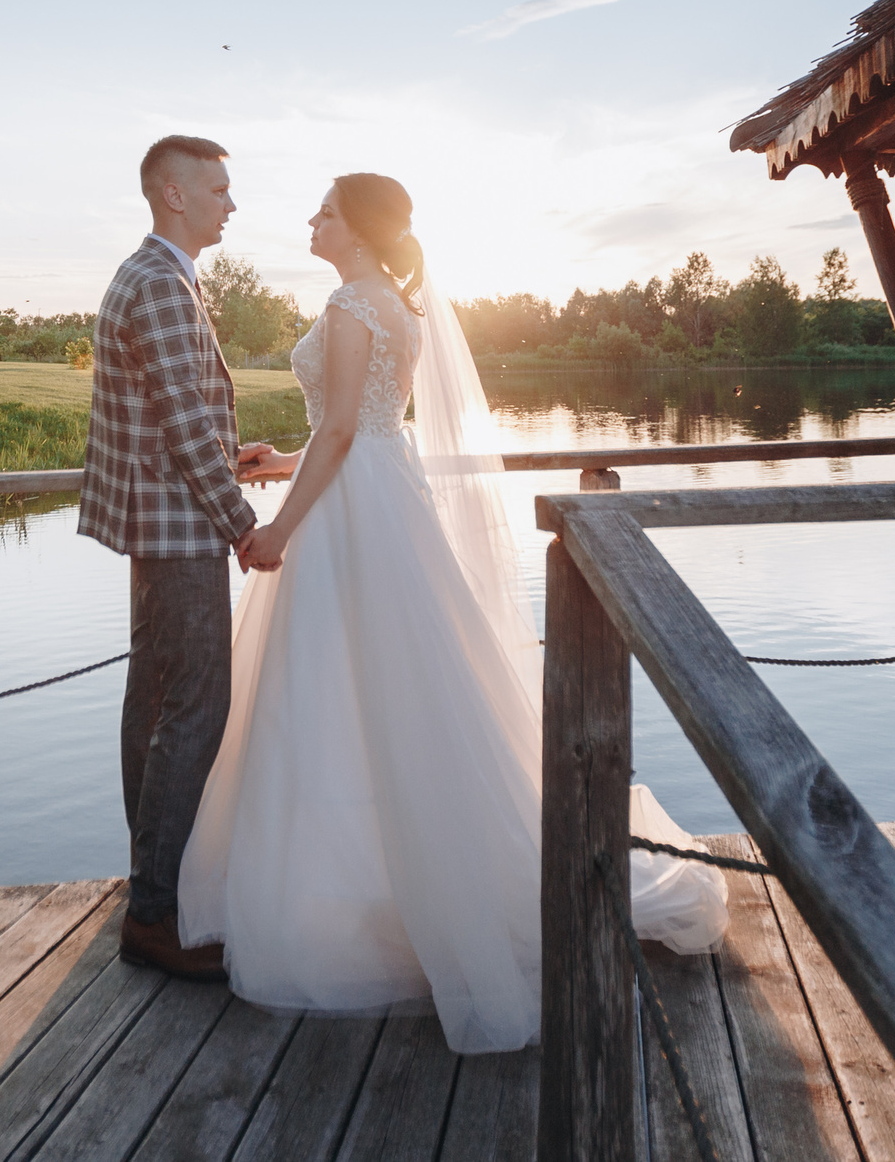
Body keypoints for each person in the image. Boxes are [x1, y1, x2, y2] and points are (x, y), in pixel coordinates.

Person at [181, 172, 726, 1052]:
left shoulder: (358, 306)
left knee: (333, 697)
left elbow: (347, 434)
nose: (311, 221)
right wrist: (278, 459)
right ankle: (383, 883)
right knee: (385, 697)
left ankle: (380, 894)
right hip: (375, 504)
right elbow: (360, 429)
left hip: (351, 518)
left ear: (356, 229)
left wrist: (279, 524)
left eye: (324, 211)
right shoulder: (390, 305)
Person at [80, 134, 276, 981]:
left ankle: (150, 886)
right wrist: (242, 522)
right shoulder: (160, 281)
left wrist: (230, 456)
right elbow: (185, 422)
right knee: (195, 705)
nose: (232, 203)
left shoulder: (160, 275)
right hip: (180, 530)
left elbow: (180, 419)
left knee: (155, 702)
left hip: (163, 517)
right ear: (173, 194)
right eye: (219, 188)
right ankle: (155, 914)